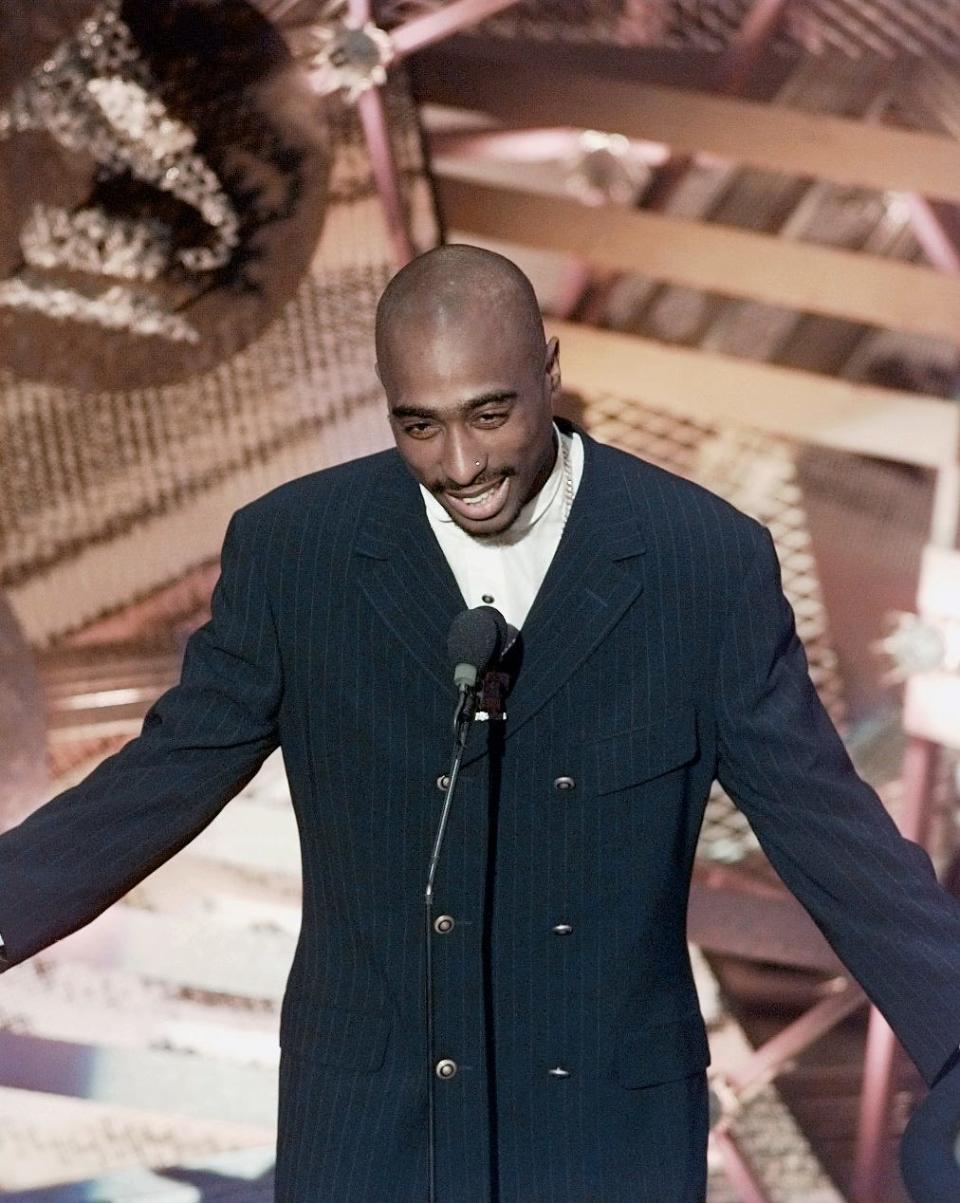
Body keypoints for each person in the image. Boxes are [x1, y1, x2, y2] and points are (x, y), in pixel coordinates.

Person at [0, 243, 958, 1202]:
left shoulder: (701, 565)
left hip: (603, 1133)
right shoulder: (297, 554)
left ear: (547, 370)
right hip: (371, 1127)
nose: (460, 466)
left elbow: (832, 836)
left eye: (489, 415)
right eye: (419, 425)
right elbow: (155, 783)